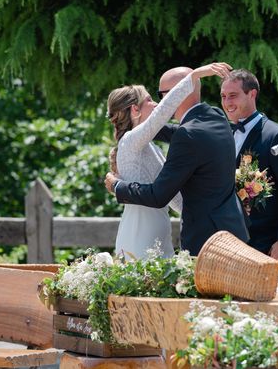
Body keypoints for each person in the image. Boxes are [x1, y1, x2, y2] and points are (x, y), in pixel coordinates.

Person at [105, 63, 249, 256]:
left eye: (160, 96)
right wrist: (194, 78)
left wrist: (194, 77)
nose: (158, 104)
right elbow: (161, 119)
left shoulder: (163, 141)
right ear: (134, 110)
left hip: (166, 230)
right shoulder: (216, 116)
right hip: (141, 231)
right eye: (150, 99)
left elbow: (169, 193)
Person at [220, 69, 278, 268]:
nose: (227, 103)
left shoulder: (275, 136)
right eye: (223, 96)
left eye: (233, 96)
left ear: (252, 94)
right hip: (229, 242)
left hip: (265, 245)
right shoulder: (224, 132)